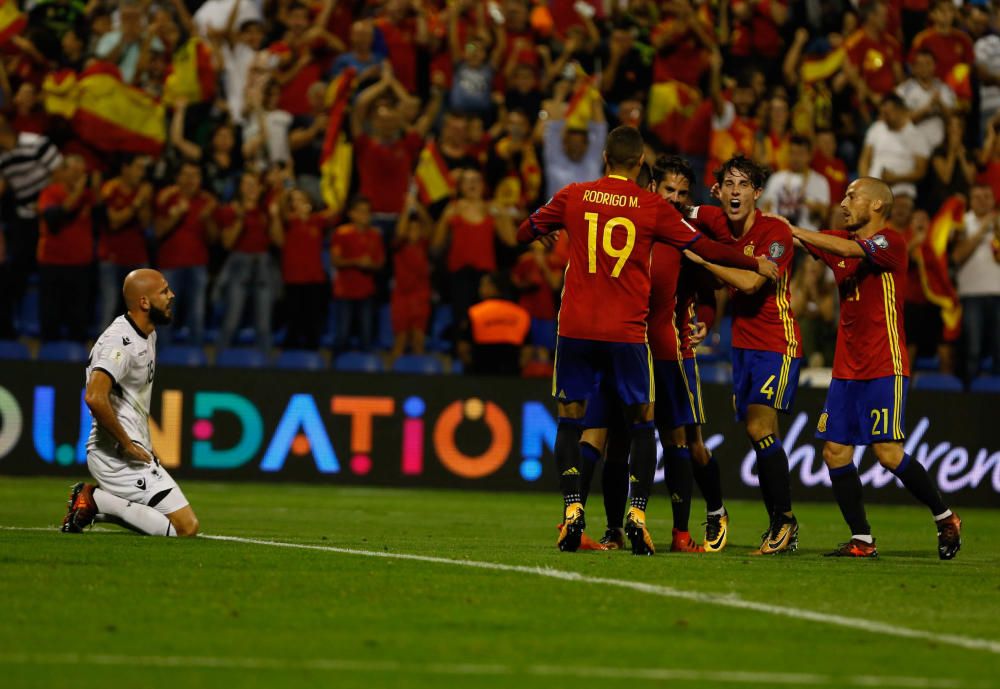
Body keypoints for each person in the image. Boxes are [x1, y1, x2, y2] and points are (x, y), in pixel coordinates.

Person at [516, 125, 778, 555]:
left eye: (682, 191)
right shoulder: (652, 212)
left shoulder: (584, 198)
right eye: (668, 188)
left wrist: (707, 319)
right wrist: (753, 260)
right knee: (612, 436)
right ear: (645, 171)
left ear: (605, 157)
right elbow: (711, 251)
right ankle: (620, 524)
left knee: (676, 440)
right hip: (629, 340)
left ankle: (681, 524)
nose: (675, 197)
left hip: (652, 346)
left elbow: (705, 281)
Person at [790, 177, 962, 560]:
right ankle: (862, 539)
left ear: (878, 206)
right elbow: (804, 241)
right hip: (846, 369)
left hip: (885, 363)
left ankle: (945, 516)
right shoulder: (840, 242)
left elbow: (841, 246)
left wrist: (796, 229)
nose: (845, 201)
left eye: (854, 196)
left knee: (886, 452)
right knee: (835, 452)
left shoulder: (891, 242)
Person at [683, 154, 803, 555]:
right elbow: (680, 208)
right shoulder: (716, 220)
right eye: (728, 185)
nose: (736, 192)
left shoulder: (775, 233)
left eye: (743, 185)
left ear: (757, 192)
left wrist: (702, 259)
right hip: (743, 346)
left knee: (759, 430)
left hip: (776, 341)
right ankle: (781, 524)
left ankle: (783, 522)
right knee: (759, 434)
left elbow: (752, 282)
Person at [62, 269, 200, 537]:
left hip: (129, 452)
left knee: (172, 523)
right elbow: (94, 396)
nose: (172, 296)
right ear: (144, 302)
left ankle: (95, 507)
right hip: (116, 456)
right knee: (186, 528)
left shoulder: (148, 333)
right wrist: (126, 443)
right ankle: (94, 499)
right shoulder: (120, 343)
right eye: (164, 291)